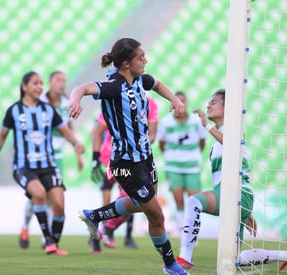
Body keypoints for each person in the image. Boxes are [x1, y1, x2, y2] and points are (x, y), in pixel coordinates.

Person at [68, 38, 188, 275]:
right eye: (141, 57)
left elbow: (158, 84)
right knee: (155, 213)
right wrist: (74, 100)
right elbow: (82, 88)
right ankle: (170, 264)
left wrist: (174, 99)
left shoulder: (140, 80)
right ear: (125, 64)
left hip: (145, 156)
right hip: (125, 162)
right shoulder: (113, 86)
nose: (145, 60)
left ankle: (95, 216)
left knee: (143, 203)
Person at [176, 89, 287, 272]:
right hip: (236, 196)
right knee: (234, 259)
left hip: (236, 192)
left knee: (194, 201)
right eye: (209, 102)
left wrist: (206, 126)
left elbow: (230, 143)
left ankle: (184, 258)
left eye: (214, 102)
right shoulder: (217, 137)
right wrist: (245, 211)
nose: (209, 105)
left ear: (228, 107)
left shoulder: (233, 128)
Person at [0, 71, 84, 256]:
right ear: (24, 87)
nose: (40, 87)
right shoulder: (14, 111)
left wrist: (75, 143)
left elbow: (64, 130)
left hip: (48, 165)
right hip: (24, 166)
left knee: (60, 206)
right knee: (38, 194)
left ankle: (54, 243)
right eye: (35, 83)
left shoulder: (48, 110)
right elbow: (2, 136)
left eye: (40, 83)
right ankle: (48, 242)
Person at [18, 70, 84, 249]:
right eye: (58, 80)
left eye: (64, 80)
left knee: (53, 198)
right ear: (50, 82)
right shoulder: (40, 103)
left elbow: (68, 127)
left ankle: (44, 237)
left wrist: (77, 153)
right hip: (38, 156)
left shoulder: (65, 104)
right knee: (36, 196)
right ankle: (24, 227)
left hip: (58, 157)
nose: (62, 83)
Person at [91, 95, 159, 253]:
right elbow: (98, 131)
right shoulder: (115, 99)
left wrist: (139, 144)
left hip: (134, 159)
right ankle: (101, 231)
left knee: (134, 199)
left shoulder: (151, 103)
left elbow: (153, 135)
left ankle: (103, 229)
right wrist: (95, 158)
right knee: (117, 199)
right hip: (110, 157)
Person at [157, 91, 207, 236]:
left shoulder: (195, 121)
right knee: (178, 200)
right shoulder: (166, 122)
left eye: (182, 101)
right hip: (173, 166)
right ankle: (181, 230)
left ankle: (193, 232)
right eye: (176, 101)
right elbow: (161, 143)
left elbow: (202, 142)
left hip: (192, 166)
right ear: (173, 104)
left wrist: (192, 155)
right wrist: (171, 156)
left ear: (186, 104)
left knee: (194, 200)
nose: (179, 105)